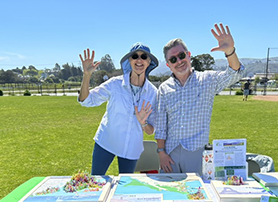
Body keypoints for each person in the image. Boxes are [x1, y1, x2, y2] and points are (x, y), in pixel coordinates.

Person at [154, 23, 243, 175]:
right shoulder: (164, 88)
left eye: (181, 56)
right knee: (171, 195)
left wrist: (230, 52)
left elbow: (235, 73)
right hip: (170, 154)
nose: (179, 62)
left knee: (198, 195)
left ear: (189, 55)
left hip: (197, 152)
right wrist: (161, 153)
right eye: (173, 60)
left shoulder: (207, 80)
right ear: (169, 65)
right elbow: (161, 125)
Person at [78, 43, 158, 175]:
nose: (139, 60)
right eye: (135, 56)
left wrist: (143, 122)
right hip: (106, 142)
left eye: (144, 57)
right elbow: (86, 100)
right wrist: (86, 75)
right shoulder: (114, 84)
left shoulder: (153, 93)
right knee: (96, 181)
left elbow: (150, 131)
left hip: (131, 148)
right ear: (129, 61)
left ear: (149, 62)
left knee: (125, 190)